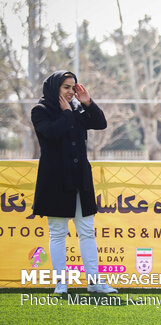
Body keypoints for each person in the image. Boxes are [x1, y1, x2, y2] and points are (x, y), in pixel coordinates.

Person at [31, 71, 117, 294]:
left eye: (73, 87)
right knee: (58, 232)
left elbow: (100, 123)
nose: (71, 92)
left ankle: (94, 282)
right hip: (55, 180)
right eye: (66, 87)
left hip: (80, 178)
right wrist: (67, 114)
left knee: (87, 230)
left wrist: (88, 102)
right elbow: (51, 133)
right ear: (54, 89)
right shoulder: (40, 111)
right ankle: (61, 282)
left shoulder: (78, 108)